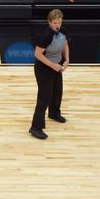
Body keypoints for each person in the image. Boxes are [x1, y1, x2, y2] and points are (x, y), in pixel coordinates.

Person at [29, 9, 70, 140]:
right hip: (44, 69)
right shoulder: (46, 35)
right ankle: (35, 127)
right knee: (44, 97)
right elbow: (37, 54)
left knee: (57, 91)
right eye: (55, 23)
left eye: (59, 21)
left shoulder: (62, 31)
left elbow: (65, 44)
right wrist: (53, 65)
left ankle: (54, 113)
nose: (58, 25)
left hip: (56, 66)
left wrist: (67, 59)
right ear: (49, 22)